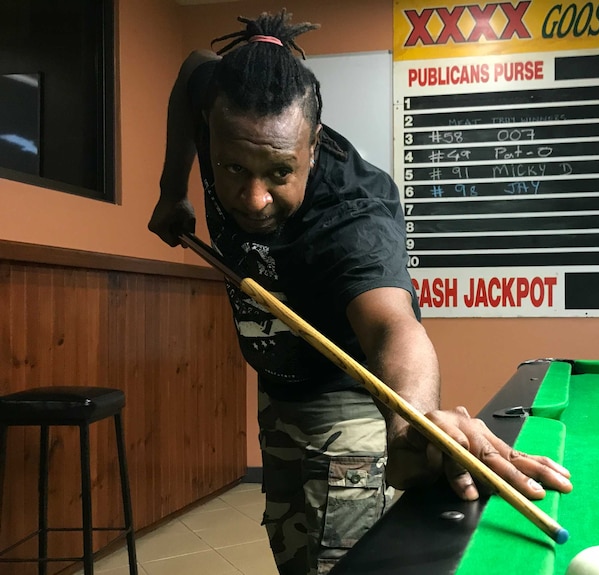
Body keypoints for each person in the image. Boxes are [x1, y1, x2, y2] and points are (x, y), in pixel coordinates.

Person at [148, 9, 572, 575]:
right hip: (278, 383)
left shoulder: (352, 214)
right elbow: (193, 69)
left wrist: (412, 422)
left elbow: (392, 326)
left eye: (278, 172)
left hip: (349, 393)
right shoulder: (216, 96)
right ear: (213, 125)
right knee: (290, 543)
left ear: (313, 144)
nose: (252, 198)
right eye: (231, 168)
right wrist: (171, 190)